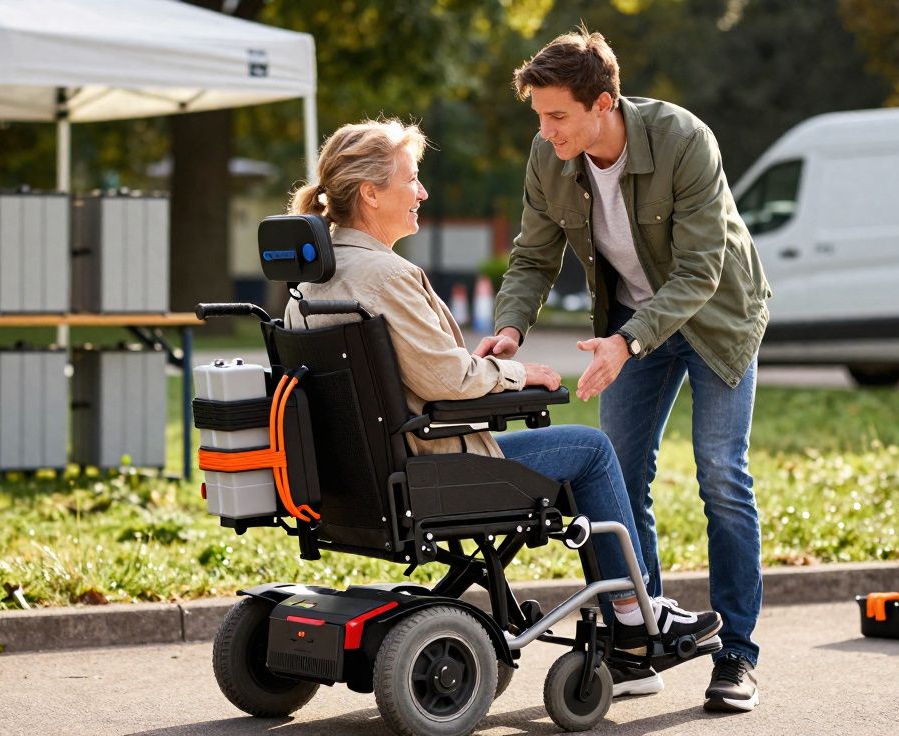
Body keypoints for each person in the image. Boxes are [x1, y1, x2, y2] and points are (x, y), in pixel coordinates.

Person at [284, 119, 720, 697]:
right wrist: (521, 375)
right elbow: (448, 376)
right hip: (428, 466)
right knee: (590, 449)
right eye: (412, 181)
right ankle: (636, 619)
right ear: (369, 192)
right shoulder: (386, 275)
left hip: (353, 477)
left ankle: (629, 611)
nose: (422, 193)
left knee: (573, 445)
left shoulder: (307, 285)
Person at [474, 30, 770, 713]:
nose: (545, 133)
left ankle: (737, 656)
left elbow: (701, 270)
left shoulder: (682, 140)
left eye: (557, 117)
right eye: (539, 117)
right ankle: (642, 643)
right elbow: (532, 258)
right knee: (617, 478)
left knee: (722, 475)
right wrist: (511, 328)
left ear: (603, 103)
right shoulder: (551, 158)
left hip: (716, 321)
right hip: (631, 329)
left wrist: (626, 343)